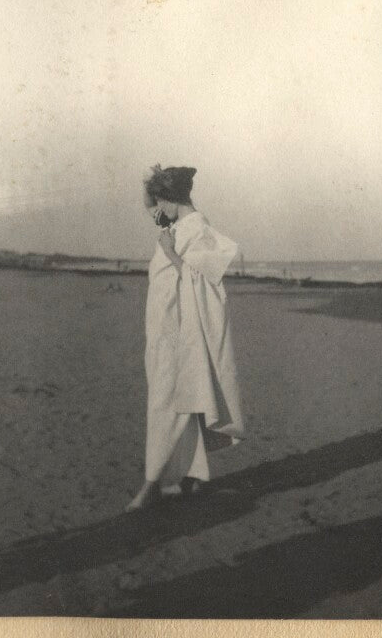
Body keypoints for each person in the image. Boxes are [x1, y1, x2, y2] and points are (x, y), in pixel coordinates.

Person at [126, 164, 245, 510]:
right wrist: (151, 185)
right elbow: (150, 207)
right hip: (163, 328)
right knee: (178, 402)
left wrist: (171, 253)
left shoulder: (199, 229)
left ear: (172, 198)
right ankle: (193, 478)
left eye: (160, 201)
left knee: (167, 405)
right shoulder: (176, 225)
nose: (155, 209)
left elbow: (205, 282)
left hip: (181, 332)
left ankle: (152, 486)